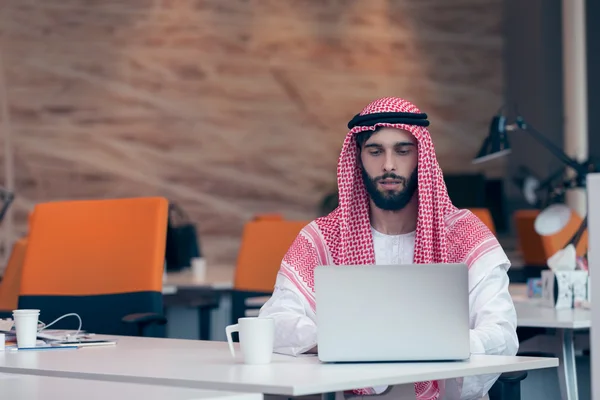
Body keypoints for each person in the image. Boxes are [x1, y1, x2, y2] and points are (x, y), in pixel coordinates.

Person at [258, 97, 519, 400]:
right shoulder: (322, 238)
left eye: (403, 150)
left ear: (421, 157)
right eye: (375, 151)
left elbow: (501, 333)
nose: (389, 165)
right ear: (359, 158)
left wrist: (431, 346)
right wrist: (341, 342)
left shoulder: (464, 234)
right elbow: (275, 320)